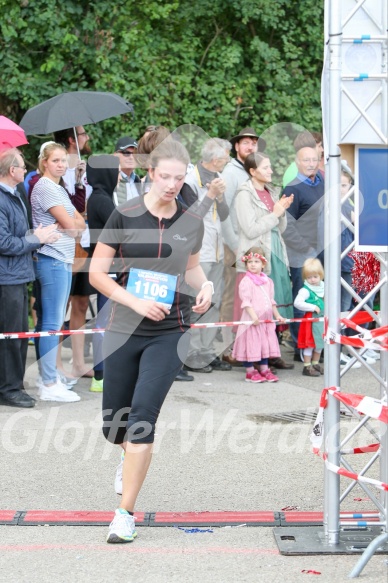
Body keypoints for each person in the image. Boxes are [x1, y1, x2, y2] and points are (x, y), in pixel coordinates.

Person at [89, 138, 212, 544]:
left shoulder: (191, 222)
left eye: (179, 178)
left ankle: (124, 513)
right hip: (124, 329)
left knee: (142, 419)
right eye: (165, 177)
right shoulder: (124, 214)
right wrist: (135, 301)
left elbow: (191, 269)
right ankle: (126, 457)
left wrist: (205, 285)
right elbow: (97, 274)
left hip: (170, 331)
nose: (172, 185)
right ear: (150, 173)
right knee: (115, 426)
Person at [0, 148, 60, 408]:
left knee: (16, 334)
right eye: (23, 168)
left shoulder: (14, 195)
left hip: (16, 274)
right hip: (7, 278)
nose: (26, 171)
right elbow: (4, 242)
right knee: (11, 336)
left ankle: (12, 385)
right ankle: (10, 389)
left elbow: (17, 233)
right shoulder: (2, 199)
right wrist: (38, 239)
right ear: (12, 171)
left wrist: (36, 234)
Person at [31, 142, 86, 402]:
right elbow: (72, 226)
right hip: (51, 259)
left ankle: (49, 377)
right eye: (56, 161)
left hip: (61, 259)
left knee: (50, 322)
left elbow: (80, 225)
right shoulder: (45, 187)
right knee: (53, 323)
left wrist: (73, 224)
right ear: (44, 162)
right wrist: (72, 224)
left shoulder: (60, 188)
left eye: (64, 160)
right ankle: (49, 383)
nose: (61, 165)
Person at [234, 151, 295, 370]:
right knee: (257, 305)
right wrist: (275, 213)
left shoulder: (271, 191)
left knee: (275, 299)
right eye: (266, 167)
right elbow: (249, 229)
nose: (271, 171)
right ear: (253, 171)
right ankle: (253, 356)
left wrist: (282, 211)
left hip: (275, 249)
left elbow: (280, 227)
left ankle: (272, 352)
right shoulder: (244, 194)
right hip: (258, 253)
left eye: (270, 167)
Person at [181, 137, 232, 372]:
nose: (228, 161)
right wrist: (211, 194)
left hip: (217, 248)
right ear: (215, 159)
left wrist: (219, 197)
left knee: (214, 302)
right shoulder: (191, 181)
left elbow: (223, 214)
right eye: (226, 157)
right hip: (198, 252)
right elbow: (192, 218)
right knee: (195, 302)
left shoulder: (219, 179)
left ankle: (207, 351)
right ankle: (191, 353)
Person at [220, 127, 264, 362]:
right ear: (236, 146)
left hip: (253, 244)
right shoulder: (231, 173)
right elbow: (223, 212)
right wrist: (234, 244)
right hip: (235, 244)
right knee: (231, 295)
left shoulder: (254, 170)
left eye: (254, 143)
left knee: (252, 295)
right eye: (246, 143)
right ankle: (227, 347)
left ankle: (248, 346)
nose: (250, 147)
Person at [54, 126, 94, 380]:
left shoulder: (86, 167)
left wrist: (83, 177)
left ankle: (78, 362)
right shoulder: (56, 170)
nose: (87, 137)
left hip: (86, 241)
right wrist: (76, 180)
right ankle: (55, 364)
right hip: (65, 243)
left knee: (81, 302)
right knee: (61, 306)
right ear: (71, 140)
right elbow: (67, 205)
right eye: (82, 134)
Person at [282, 141, 325, 361]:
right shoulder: (291, 188)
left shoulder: (323, 182)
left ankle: (318, 347)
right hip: (302, 255)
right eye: (306, 160)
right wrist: (307, 249)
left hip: (323, 252)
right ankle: (302, 350)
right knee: (303, 300)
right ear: (297, 163)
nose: (311, 163)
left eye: (314, 159)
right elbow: (286, 226)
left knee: (320, 301)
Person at [86, 154, 120, 392]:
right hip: (108, 269)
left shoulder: (101, 197)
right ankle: (101, 374)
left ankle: (105, 371)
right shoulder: (102, 200)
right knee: (105, 321)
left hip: (109, 267)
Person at [232, 248, 286, 383]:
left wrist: (277, 315)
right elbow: (246, 302)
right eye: (250, 262)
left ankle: (264, 368)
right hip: (252, 320)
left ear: (263, 264)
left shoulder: (268, 281)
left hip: (265, 320)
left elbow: (271, 301)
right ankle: (250, 371)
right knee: (250, 344)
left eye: (256, 261)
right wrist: (253, 316)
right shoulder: (246, 282)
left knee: (264, 344)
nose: (253, 264)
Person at [294, 258, 325, 377]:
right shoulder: (305, 290)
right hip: (311, 322)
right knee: (310, 344)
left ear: (320, 275)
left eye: (315, 276)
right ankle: (307, 366)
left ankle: (315, 363)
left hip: (322, 321)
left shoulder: (323, 287)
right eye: (309, 277)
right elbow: (297, 303)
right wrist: (312, 307)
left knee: (320, 344)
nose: (312, 280)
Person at [113, 136, 141, 205]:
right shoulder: (111, 181)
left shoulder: (137, 180)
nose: (131, 157)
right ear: (115, 155)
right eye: (126, 153)